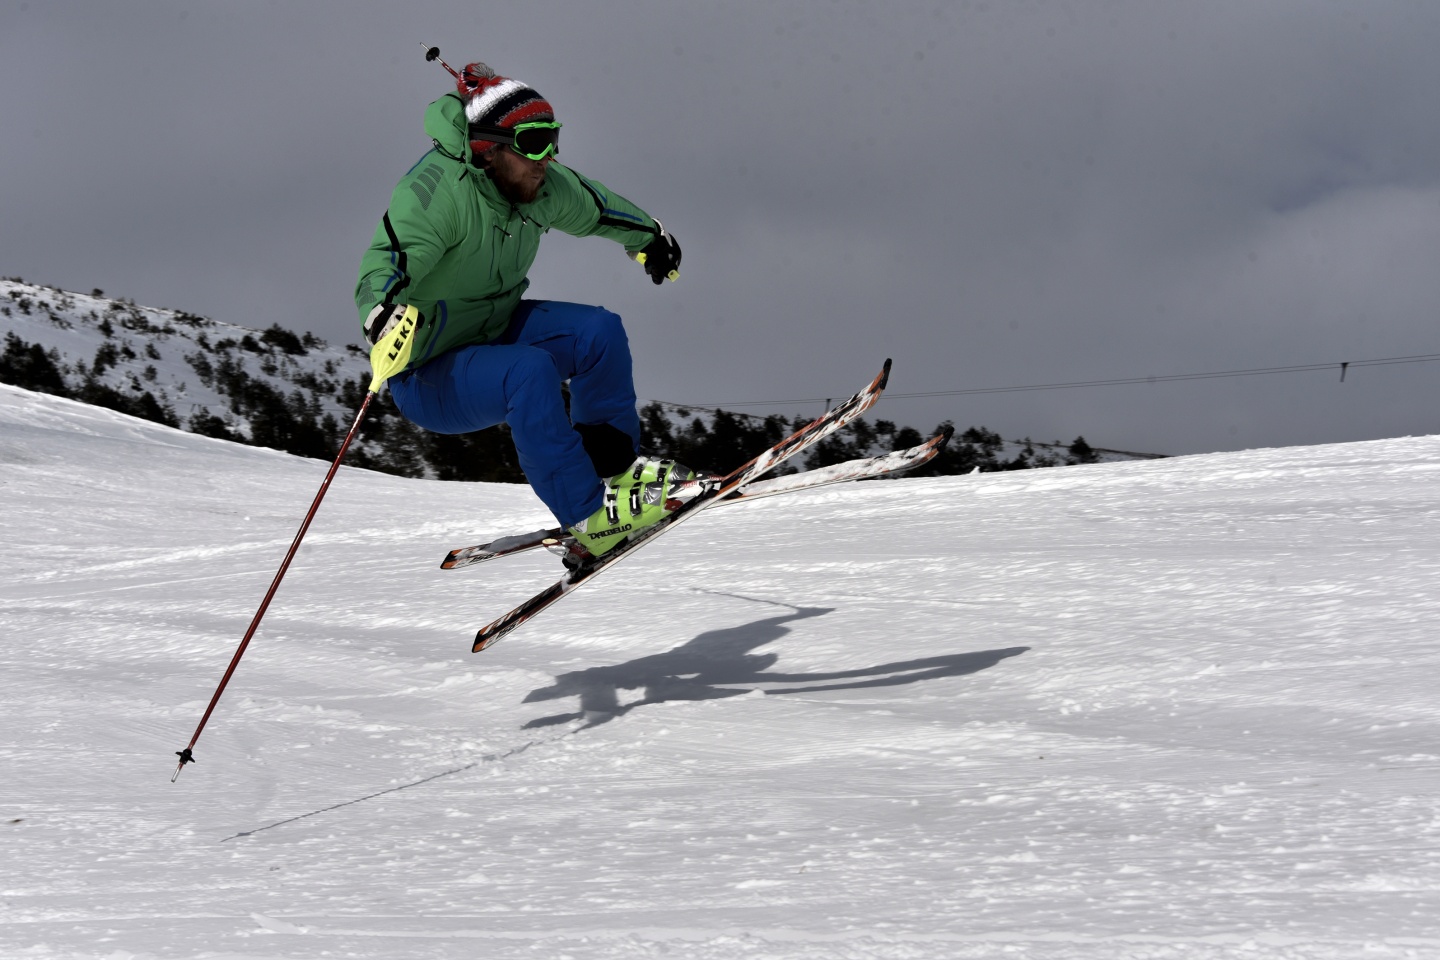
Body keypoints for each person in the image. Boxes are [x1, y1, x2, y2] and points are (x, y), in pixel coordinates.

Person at [355, 61, 692, 560]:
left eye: (553, 140)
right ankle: (586, 518)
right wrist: (382, 312)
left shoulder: (540, 187)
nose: (547, 158)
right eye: (534, 143)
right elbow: (392, 256)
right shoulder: (438, 194)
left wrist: (650, 238)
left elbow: (599, 207)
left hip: (492, 331)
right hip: (428, 372)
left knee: (598, 332)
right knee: (528, 371)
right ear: (487, 149)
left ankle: (616, 473)